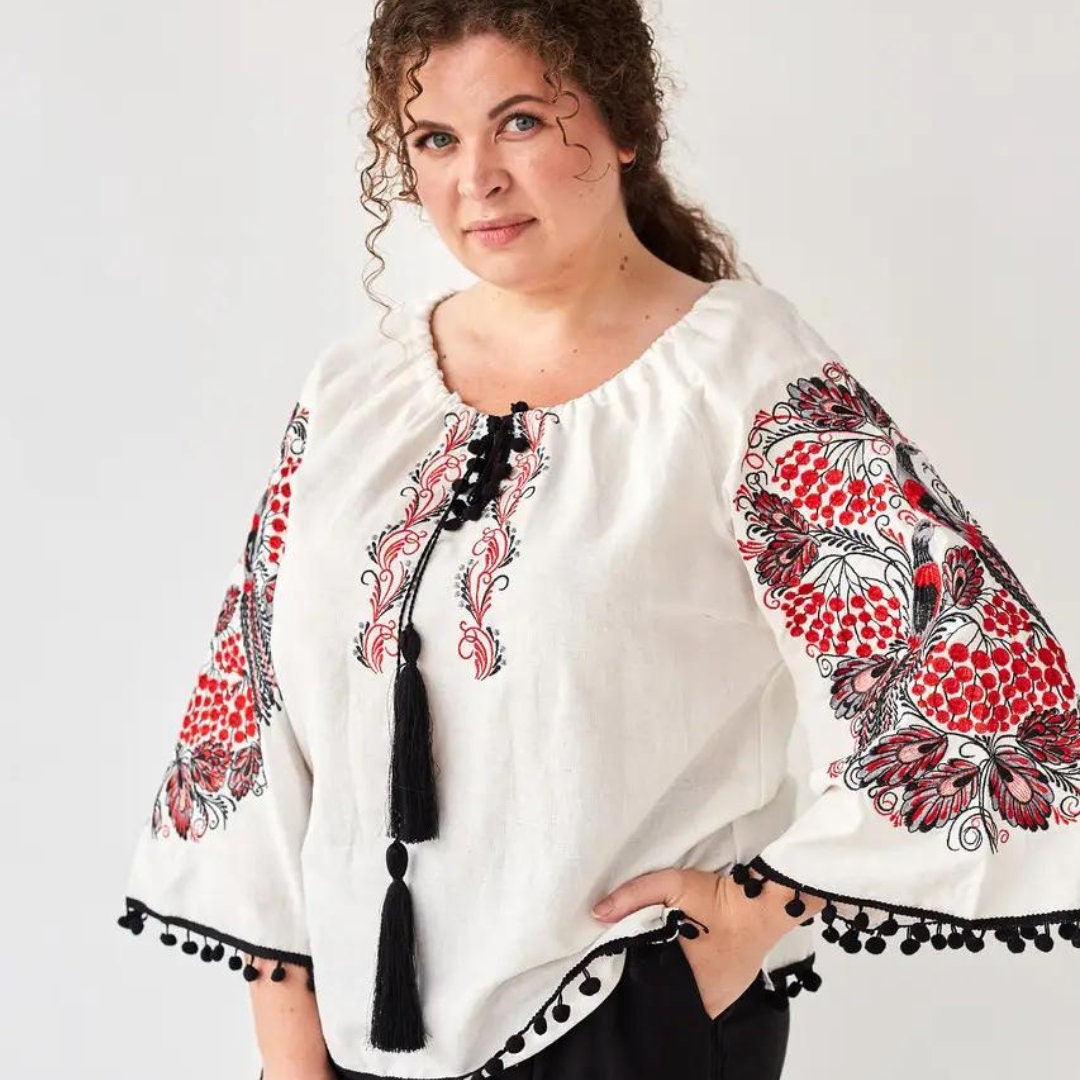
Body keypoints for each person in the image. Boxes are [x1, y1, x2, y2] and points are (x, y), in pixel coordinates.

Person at [116, 2, 1080, 1078]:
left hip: (624, 1022)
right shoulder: (357, 388)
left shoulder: (739, 375)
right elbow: (256, 711)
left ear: (623, 125)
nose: (474, 177)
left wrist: (748, 919)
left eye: (520, 122)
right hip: (349, 1043)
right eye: (434, 138)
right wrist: (289, 1047)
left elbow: (981, 690)